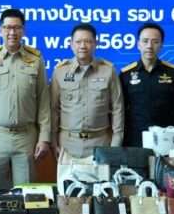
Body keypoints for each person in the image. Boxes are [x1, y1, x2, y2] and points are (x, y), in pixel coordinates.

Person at [0, 8, 50, 185]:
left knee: (25, 193)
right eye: (8, 28)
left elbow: (43, 102)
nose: (12, 32)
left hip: (26, 137)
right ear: (0, 30)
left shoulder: (36, 60)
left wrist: (44, 138)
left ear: (23, 30)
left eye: (17, 28)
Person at [50, 23, 123, 158]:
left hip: (101, 143)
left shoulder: (108, 71)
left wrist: (115, 143)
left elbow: (117, 109)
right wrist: (53, 142)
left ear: (95, 44)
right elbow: (53, 109)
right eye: (78, 42)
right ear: (71, 44)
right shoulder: (60, 72)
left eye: (88, 41)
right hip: (67, 145)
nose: (83, 46)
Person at [120, 23, 174, 146]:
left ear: (161, 45)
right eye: (145, 41)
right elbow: (120, 110)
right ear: (138, 44)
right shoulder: (126, 74)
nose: (149, 46)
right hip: (135, 139)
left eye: (155, 42)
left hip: (167, 138)